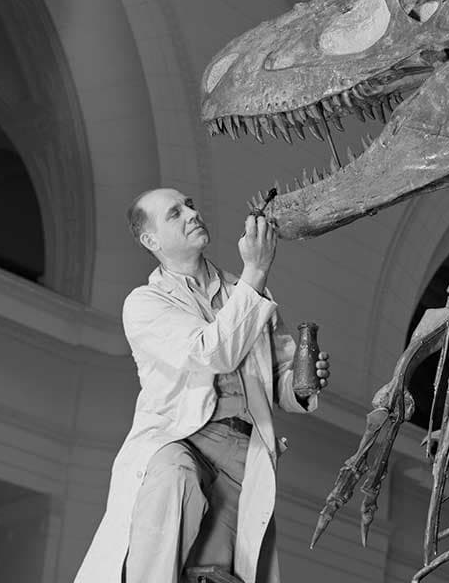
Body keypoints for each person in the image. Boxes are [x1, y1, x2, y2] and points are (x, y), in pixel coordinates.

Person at [74, 188, 328, 583]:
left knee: (214, 574)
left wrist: (299, 386)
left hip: (244, 457)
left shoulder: (242, 292)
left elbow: (276, 374)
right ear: (150, 240)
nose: (192, 214)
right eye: (175, 213)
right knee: (174, 478)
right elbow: (211, 353)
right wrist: (256, 271)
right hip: (186, 440)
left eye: (190, 205)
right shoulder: (145, 304)